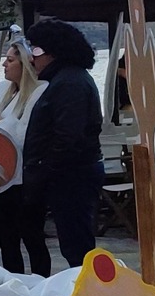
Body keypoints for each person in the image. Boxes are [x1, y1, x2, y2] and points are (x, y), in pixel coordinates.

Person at [23, 18, 104, 267]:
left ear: (54, 52)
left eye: (36, 50)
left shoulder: (70, 83)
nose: (32, 59)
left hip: (72, 175)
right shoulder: (66, 80)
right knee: (73, 241)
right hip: (67, 174)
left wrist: (45, 170)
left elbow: (68, 136)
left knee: (76, 244)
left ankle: (86, 286)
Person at [0, 40, 50, 274]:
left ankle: (41, 281)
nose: (4, 65)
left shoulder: (39, 92)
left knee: (32, 236)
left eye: (10, 60)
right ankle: (13, 282)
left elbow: (24, 134)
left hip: (25, 178)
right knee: (7, 239)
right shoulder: (5, 92)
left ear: (24, 65)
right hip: (3, 176)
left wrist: (1, 124)